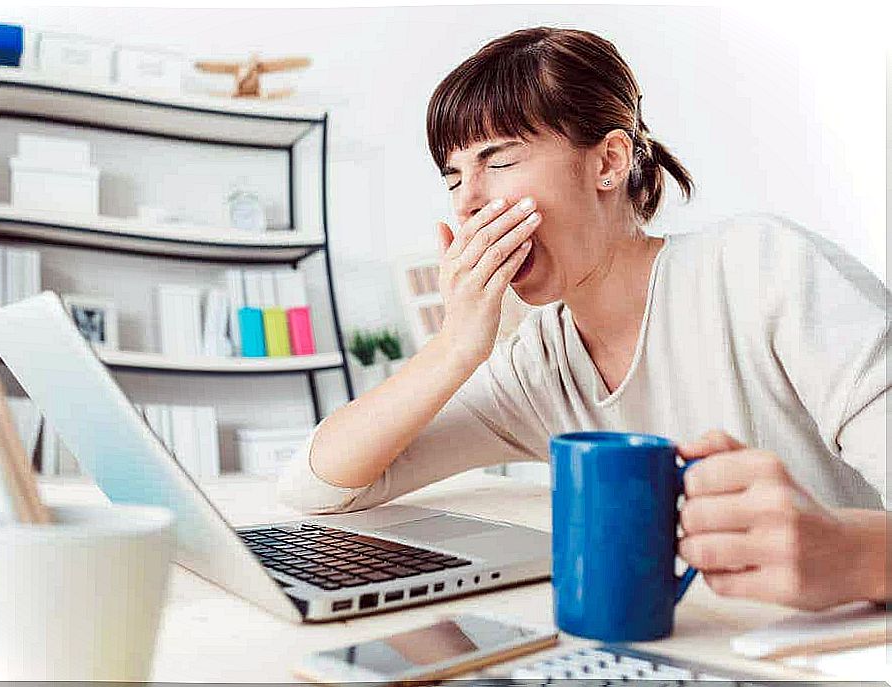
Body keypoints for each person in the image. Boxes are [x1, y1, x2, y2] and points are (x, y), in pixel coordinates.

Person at [277, 27, 888, 611]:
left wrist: (855, 555)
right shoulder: (537, 365)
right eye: (455, 176)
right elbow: (322, 487)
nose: (466, 202)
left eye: (500, 160)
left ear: (609, 162)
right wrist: (454, 347)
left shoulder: (764, 269)